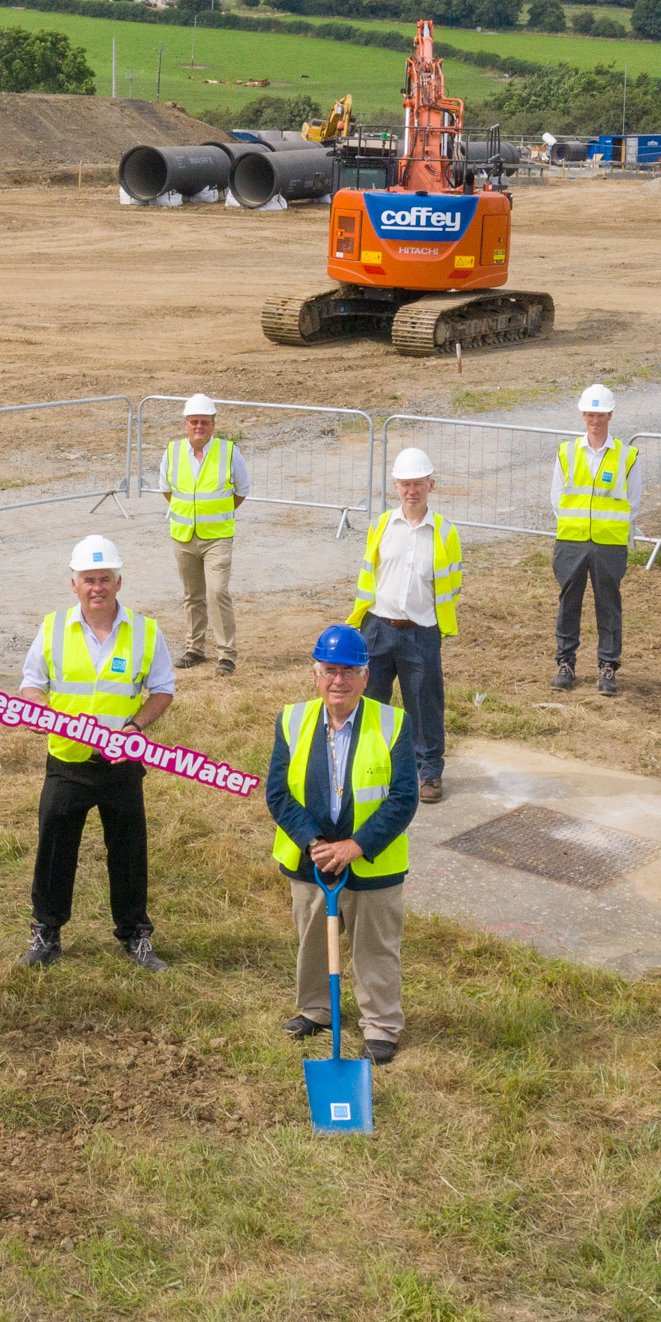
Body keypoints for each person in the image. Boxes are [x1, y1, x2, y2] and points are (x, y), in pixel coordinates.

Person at [18, 534, 175, 971]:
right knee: (54, 849)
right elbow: (31, 683)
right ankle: (46, 933)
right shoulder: (52, 628)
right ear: (74, 584)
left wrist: (135, 725)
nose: (97, 588)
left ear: (119, 582)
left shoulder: (145, 631)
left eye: (105, 579)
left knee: (128, 850)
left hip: (121, 764)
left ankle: (135, 935)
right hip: (67, 762)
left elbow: (163, 689)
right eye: (89, 580)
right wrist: (37, 709)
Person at [266, 625, 420, 1064]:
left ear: (366, 677)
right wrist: (314, 842)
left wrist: (355, 845)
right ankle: (316, 1010)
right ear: (315, 675)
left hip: (373, 863)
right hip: (311, 858)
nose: (339, 681)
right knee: (313, 938)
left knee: (376, 947)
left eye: (349, 672)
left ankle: (381, 1026)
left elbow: (405, 797)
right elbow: (278, 792)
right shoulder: (292, 720)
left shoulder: (393, 723)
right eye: (330, 671)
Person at [347, 446, 461, 806]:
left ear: (432, 484)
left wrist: (428, 618)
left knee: (425, 702)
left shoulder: (444, 533)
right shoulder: (381, 525)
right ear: (395, 487)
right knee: (370, 701)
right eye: (405, 484)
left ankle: (429, 771)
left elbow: (452, 584)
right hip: (378, 627)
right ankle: (370, 766)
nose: (412, 491)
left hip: (421, 631)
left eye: (419, 484)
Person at [551, 383, 639, 695]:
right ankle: (565, 663)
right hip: (572, 542)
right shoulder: (567, 452)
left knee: (609, 605)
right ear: (583, 414)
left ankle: (607, 666)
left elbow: (633, 502)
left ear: (610, 414)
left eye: (600, 414)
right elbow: (557, 497)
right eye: (590, 413)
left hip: (608, 544)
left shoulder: (626, 457)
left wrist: (610, 532)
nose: (595, 419)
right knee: (568, 604)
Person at [159, 393, 249, 676]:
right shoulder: (172, 451)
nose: (199, 426)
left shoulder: (230, 451)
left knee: (217, 592)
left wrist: (217, 514)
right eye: (194, 422)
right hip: (183, 535)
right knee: (192, 594)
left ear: (213, 424)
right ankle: (195, 649)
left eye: (205, 422)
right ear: (185, 424)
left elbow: (242, 491)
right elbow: (167, 489)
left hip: (217, 537)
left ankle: (226, 655)